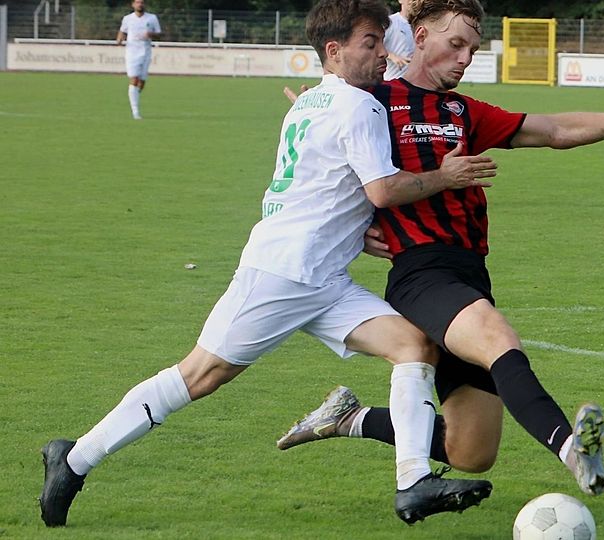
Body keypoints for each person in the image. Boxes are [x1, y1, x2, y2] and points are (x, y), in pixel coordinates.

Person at [39, 0, 500, 528]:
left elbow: (334, 186)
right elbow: (383, 188)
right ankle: (73, 459)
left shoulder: (310, 103)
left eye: (381, 42)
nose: (383, 54)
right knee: (200, 374)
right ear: (335, 50)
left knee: (413, 345)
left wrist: (358, 232)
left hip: (323, 278)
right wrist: (449, 176)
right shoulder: (360, 106)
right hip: (283, 273)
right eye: (371, 44)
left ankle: (413, 481)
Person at [277, 0, 604, 498]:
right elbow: (328, 156)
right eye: (455, 44)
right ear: (418, 37)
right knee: (499, 338)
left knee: (471, 451)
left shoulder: (463, 111)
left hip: (471, 272)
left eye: (473, 49)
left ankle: (350, 418)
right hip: (420, 273)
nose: (464, 58)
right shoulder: (373, 99)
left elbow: (555, 130)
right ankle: (573, 451)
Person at [117, 0, 161, 120]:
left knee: (141, 82)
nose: (139, 4)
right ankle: (135, 111)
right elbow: (122, 31)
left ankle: (134, 95)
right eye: (137, 2)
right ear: (133, 4)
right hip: (131, 53)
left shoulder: (152, 18)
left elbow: (158, 33)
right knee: (134, 79)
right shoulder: (127, 18)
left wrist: (150, 34)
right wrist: (119, 40)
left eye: (141, 2)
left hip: (146, 52)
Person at [384, 0, 414, 80]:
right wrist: (393, 56)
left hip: (415, 84)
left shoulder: (421, 25)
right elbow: (375, 47)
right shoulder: (390, 22)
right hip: (392, 81)